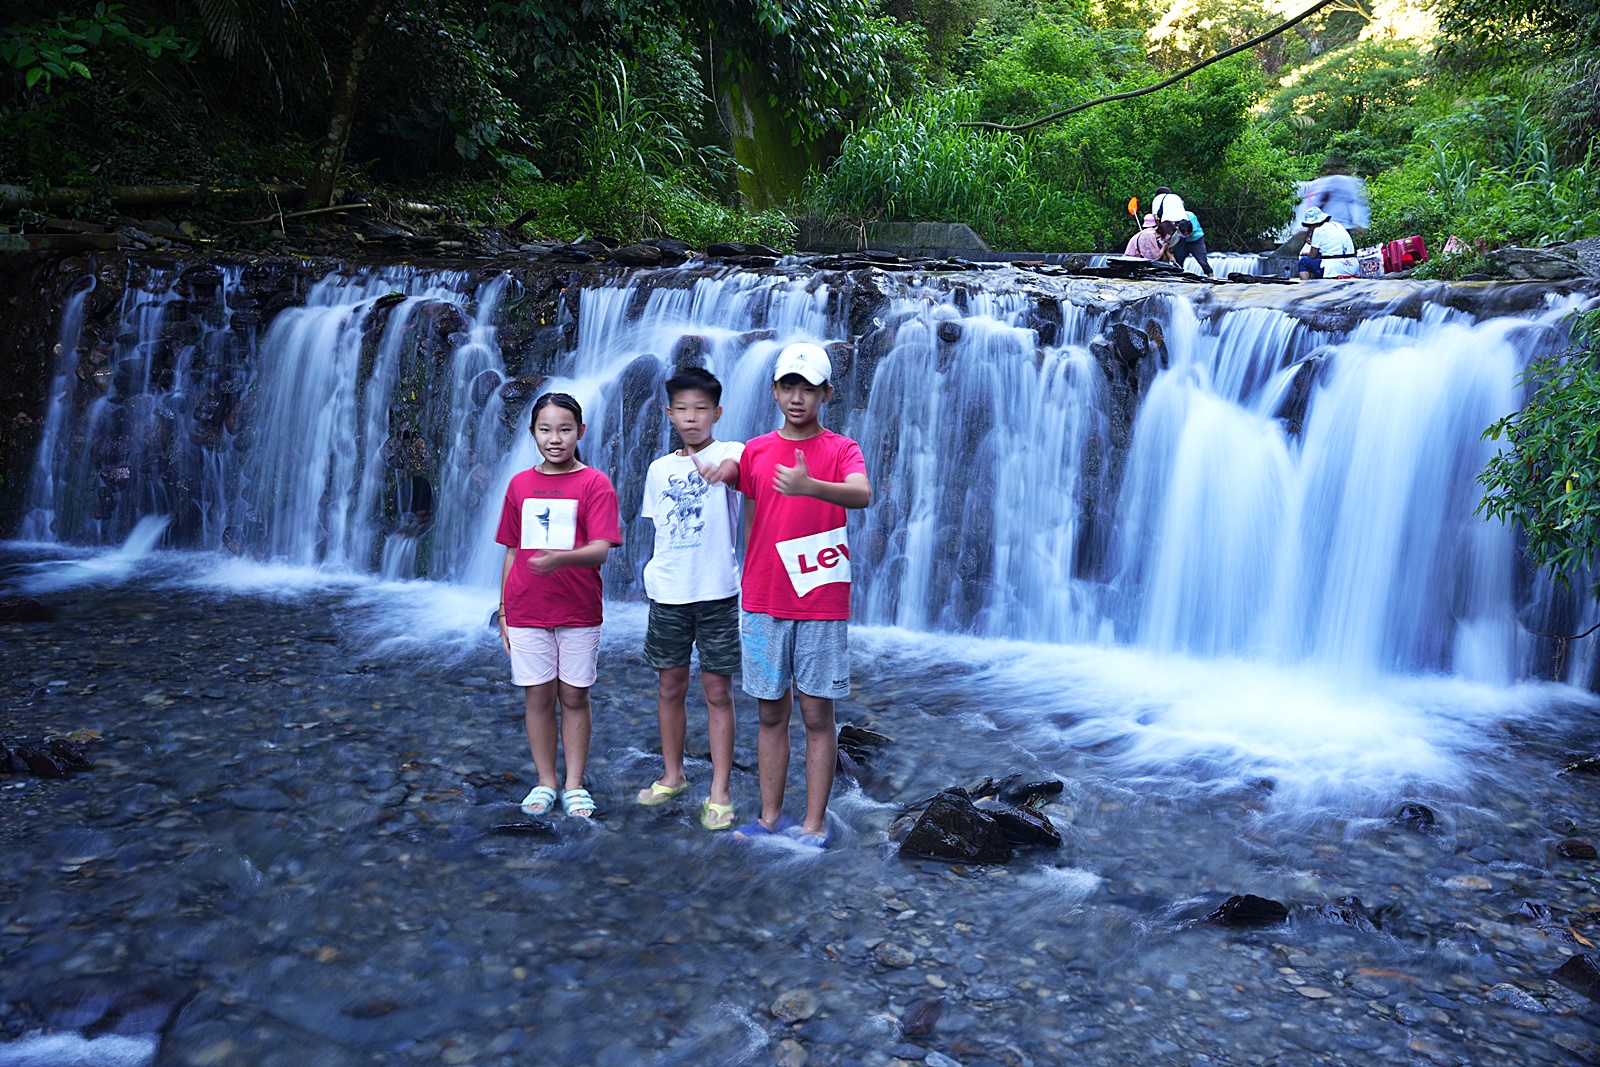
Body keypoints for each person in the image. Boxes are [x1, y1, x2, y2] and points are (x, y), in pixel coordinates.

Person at [735, 342, 871, 849]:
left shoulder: (840, 450)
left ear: (825, 393)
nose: (797, 397)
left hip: (819, 600)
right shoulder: (755, 451)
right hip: (764, 598)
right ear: (774, 390)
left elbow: (861, 494)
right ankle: (769, 817)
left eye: (808, 388)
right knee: (770, 711)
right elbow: (753, 516)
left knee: (817, 715)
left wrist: (810, 485)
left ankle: (813, 824)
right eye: (788, 386)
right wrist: (746, 575)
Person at [495, 392, 623, 819]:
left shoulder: (595, 484)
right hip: (526, 607)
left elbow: (602, 549)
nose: (555, 438)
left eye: (565, 429)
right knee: (537, 696)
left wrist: (561, 559)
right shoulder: (519, 485)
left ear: (580, 432)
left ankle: (574, 784)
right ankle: (546, 780)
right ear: (532, 433)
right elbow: (513, 551)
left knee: (574, 694)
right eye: (546, 430)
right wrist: (503, 611)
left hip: (578, 609)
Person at [635, 367, 745, 831]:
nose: (692, 417)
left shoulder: (732, 452)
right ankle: (673, 774)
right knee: (669, 687)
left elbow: (735, 473)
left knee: (717, 691)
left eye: (701, 409)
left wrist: (719, 472)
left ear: (717, 412)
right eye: (682, 409)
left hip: (718, 591)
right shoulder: (660, 469)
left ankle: (719, 789)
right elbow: (658, 529)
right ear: (669, 414)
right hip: (669, 593)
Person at [1300, 157, 1369, 236]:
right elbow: (1355, 204)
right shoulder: (1350, 182)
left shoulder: (1324, 183)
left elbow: (1313, 203)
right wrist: (1361, 224)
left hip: (1333, 226)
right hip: (1340, 226)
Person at [1298, 207, 1359, 279]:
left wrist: (1306, 253)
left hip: (1335, 268)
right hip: (1352, 266)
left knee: (1303, 261)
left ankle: (1306, 286)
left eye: (1309, 226)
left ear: (1314, 224)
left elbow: (1312, 255)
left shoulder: (1318, 231)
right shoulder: (1338, 225)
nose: (1309, 229)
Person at [1176, 211, 1211, 277]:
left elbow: (1191, 233)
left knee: (1202, 261)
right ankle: (1177, 277)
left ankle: (1211, 276)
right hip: (1183, 241)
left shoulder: (1190, 216)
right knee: (1178, 260)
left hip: (1196, 240)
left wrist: (1180, 232)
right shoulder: (1175, 217)